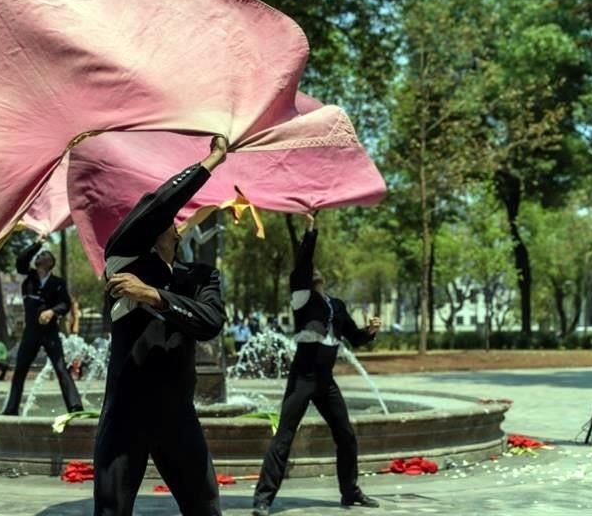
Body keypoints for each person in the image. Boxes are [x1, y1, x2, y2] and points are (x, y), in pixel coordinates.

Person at [93, 136, 228, 516]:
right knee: (111, 511)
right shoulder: (122, 259)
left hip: (176, 412)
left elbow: (210, 322)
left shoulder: (201, 276)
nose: (170, 222)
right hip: (125, 413)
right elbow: (158, 204)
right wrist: (209, 162)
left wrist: (154, 296)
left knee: (206, 509)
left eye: (171, 222)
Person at [251, 212, 382, 515]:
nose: (315, 271)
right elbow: (303, 264)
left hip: (326, 381)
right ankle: (263, 499)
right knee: (284, 436)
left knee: (346, 435)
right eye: (311, 269)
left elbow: (354, 337)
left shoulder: (335, 305)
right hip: (303, 376)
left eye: (317, 270)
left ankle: (350, 492)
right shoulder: (301, 297)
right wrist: (311, 231)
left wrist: (371, 331)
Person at [2, 240, 83, 415]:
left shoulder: (57, 282)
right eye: (40, 254)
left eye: (44, 255)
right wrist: (37, 244)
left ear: (50, 263)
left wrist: (52, 312)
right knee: (20, 370)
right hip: (30, 333)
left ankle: (75, 407)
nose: (40, 255)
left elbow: (65, 303)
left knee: (61, 368)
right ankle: (11, 409)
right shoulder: (29, 276)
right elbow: (21, 261)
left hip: (51, 333)